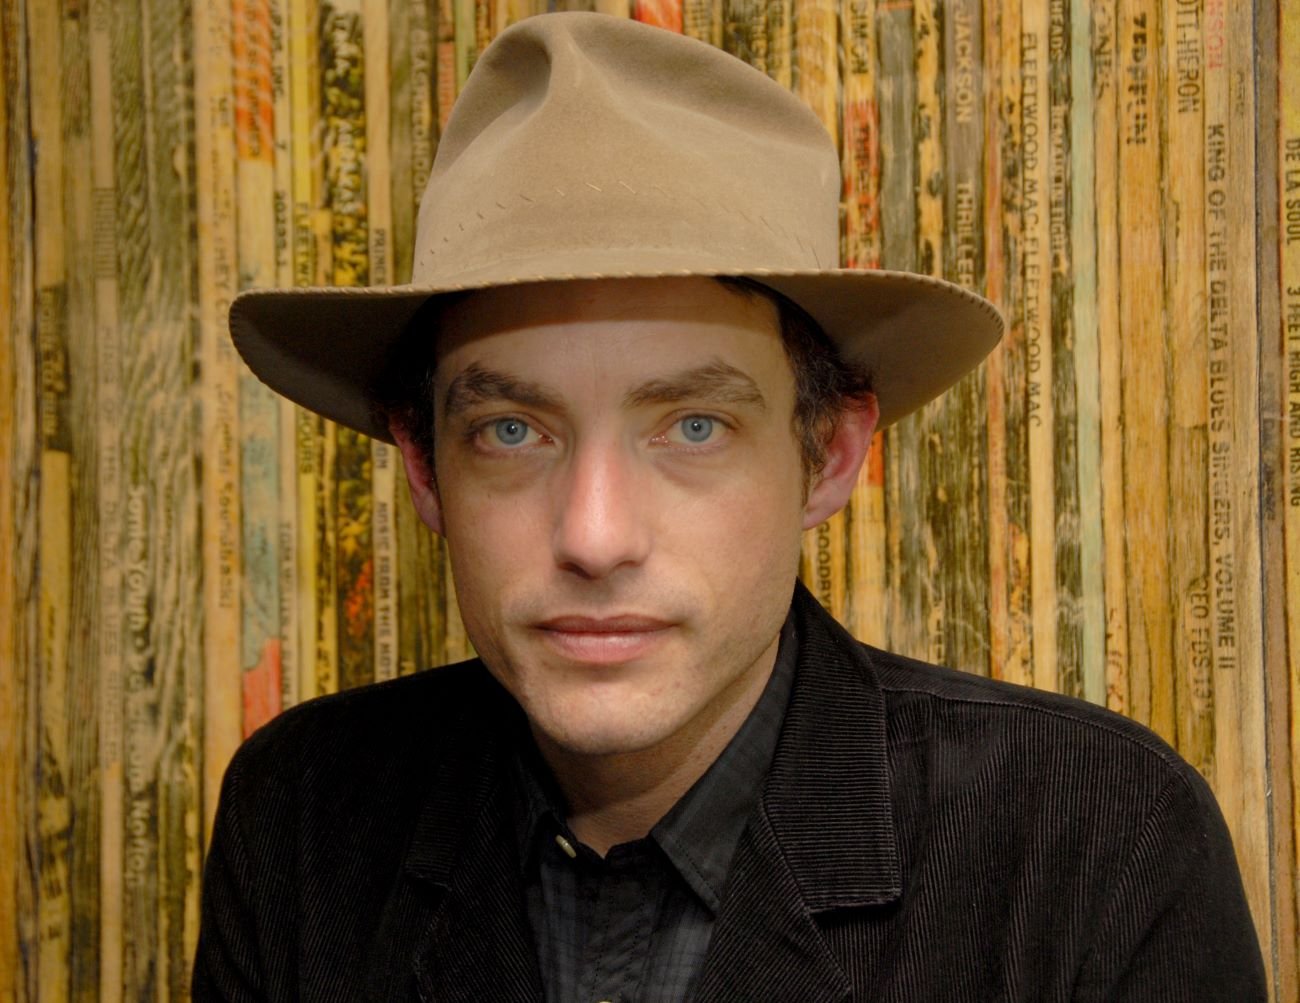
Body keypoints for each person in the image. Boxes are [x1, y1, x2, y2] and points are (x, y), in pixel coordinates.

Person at [194, 12, 1266, 1002]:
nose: (594, 535)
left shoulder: (1094, 845)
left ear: (830, 454)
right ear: (423, 469)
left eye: (692, 426)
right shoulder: (305, 817)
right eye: (511, 430)